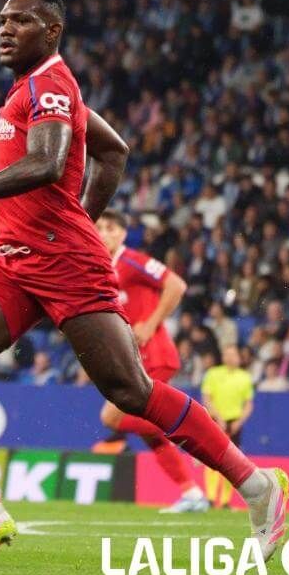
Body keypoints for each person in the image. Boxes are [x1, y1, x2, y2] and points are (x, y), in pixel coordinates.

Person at [0, 0, 287, 564]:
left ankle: (256, 486)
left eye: (20, 20)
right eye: (2, 20)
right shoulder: (33, 84)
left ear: (51, 31)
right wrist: (78, 214)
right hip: (18, 261)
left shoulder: (50, 85)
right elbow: (113, 150)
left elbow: (50, 162)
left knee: (130, 391)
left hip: (66, 265)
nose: (5, 30)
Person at [93, 209, 209, 514]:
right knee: (148, 429)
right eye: (98, 227)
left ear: (121, 234)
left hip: (155, 356)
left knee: (112, 417)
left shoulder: (131, 261)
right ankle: (192, 492)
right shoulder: (101, 267)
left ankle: (193, 433)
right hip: (137, 360)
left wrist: (151, 322)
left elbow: (177, 285)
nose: (102, 233)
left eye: (108, 228)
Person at [201, 345, 255, 509]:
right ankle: (210, 498)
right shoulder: (213, 373)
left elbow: (248, 404)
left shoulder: (245, 377)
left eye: (233, 354)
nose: (230, 357)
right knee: (211, 460)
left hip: (234, 422)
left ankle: (225, 501)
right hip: (216, 421)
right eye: (227, 354)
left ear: (239, 357)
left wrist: (240, 421)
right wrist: (217, 416)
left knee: (231, 462)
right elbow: (206, 398)